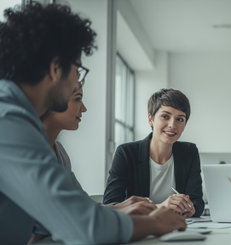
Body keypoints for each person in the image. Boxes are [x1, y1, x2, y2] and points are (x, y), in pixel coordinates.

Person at [0, 3, 185, 244]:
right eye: (77, 70)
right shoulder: (8, 122)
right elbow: (85, 227)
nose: (77, 81)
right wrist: (156, 222)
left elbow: (69, 213)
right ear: (56, 69)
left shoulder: (18, 119)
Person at [42, 84, 156, 215]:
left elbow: (83, 205)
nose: (84, 109)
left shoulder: (59, 151)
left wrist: (123, 207)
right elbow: (66, 214)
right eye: (78, 99)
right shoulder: (32, 152)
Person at [103, 88, 205, 217]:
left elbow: (197, 203)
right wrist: (160, 207)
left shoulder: (189, 152)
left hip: (177, 226)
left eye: (180, 119)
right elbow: (110, 204)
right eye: (165, 116)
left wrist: (191, 208)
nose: (172, 125)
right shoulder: (126, 153)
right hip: (140, 229)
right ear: (151, 119)